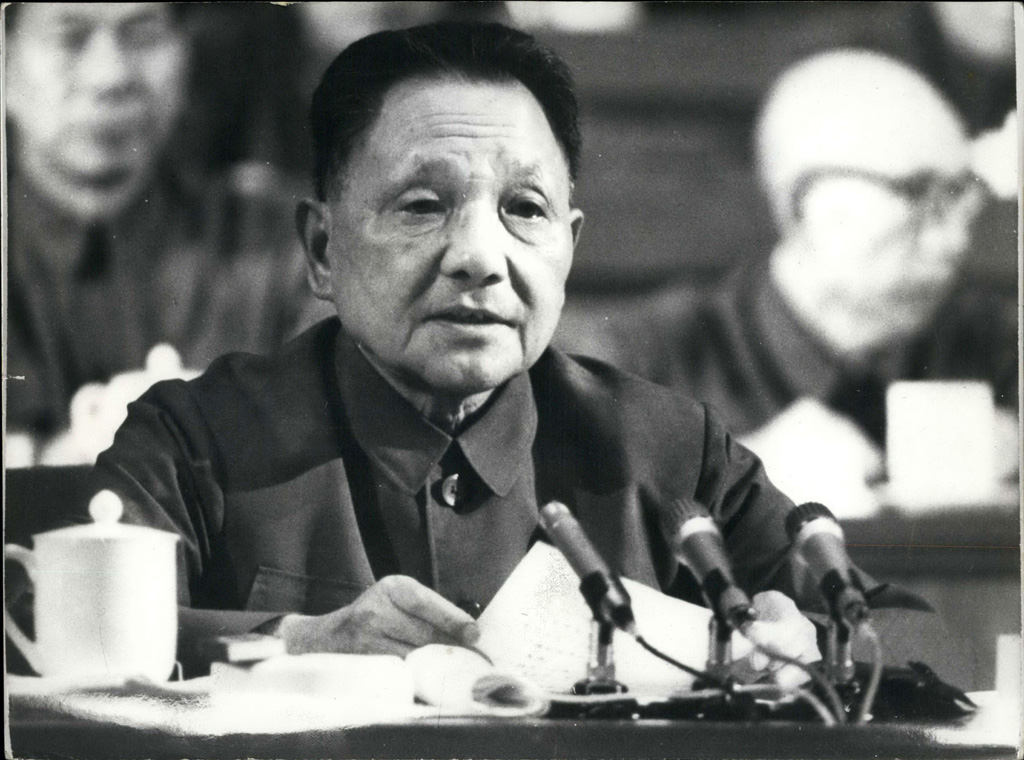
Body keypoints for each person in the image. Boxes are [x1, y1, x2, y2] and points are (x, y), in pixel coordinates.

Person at [85, 24, 963, 682]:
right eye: (423, 205)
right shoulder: (198, 437)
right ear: (321, 250)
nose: (480, 255)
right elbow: (53, 628)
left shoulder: (669, 450)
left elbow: (914, 635)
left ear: (569, 248)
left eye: (526, 210)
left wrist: (808, 637)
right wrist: (297, 641)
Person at [607, 50, 1018, 517]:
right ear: (804, 205)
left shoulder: (1000, 349)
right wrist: (729, 486)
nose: (955, 240)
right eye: (916, 192)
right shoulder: (643, 363)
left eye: (961, 195)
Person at [4, 3, 328, 462]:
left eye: (143, 35)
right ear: (5, 64)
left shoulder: (291, 248)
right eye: (69, 38)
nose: (111, 76)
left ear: (185, 55)